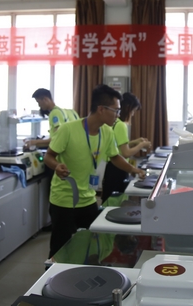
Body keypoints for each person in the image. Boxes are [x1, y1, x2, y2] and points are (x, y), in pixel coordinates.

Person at [43, 84, 146, 258]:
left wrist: (133, 169)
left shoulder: (107, 132)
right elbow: (49, 156)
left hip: (88, 199)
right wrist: (56, 166)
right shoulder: (68, 130)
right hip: (64, 200)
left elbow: (115, 156)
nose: (118, 115)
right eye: (116, 110)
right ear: (101, 109)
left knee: (92, 244)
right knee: (59, 249)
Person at [101, 92, 151, 202]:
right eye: (133, 111)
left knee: (109, 199)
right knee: (115, 201)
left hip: (111, 167)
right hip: (118, 169)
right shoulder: (121, 125)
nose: (132, 114)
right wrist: (141, 145)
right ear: (128, 108)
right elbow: (125, 153)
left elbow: (119, 146)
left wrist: (135, 142)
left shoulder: (115, 123)